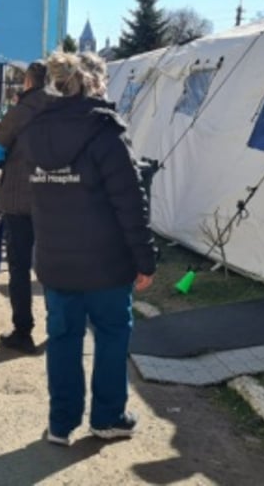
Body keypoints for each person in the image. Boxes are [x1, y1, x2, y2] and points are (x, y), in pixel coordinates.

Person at [23, 51, 156, 446]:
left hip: (55, 258)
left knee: (63, 341)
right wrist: (145, 258)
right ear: (97, 83)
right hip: (105, 264)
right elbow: (130, 202)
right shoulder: (106, 132)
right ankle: (108, 417)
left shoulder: (35, 132)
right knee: (112, 337)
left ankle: (61, 424)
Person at [0, 60, 52, 355]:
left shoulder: (21, 111)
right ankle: (59, 327)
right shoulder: (62, 108)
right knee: (54, 266)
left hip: (19, 198)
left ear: (28, 82)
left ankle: (22, 331)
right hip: (55, 197)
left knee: (20, 267)